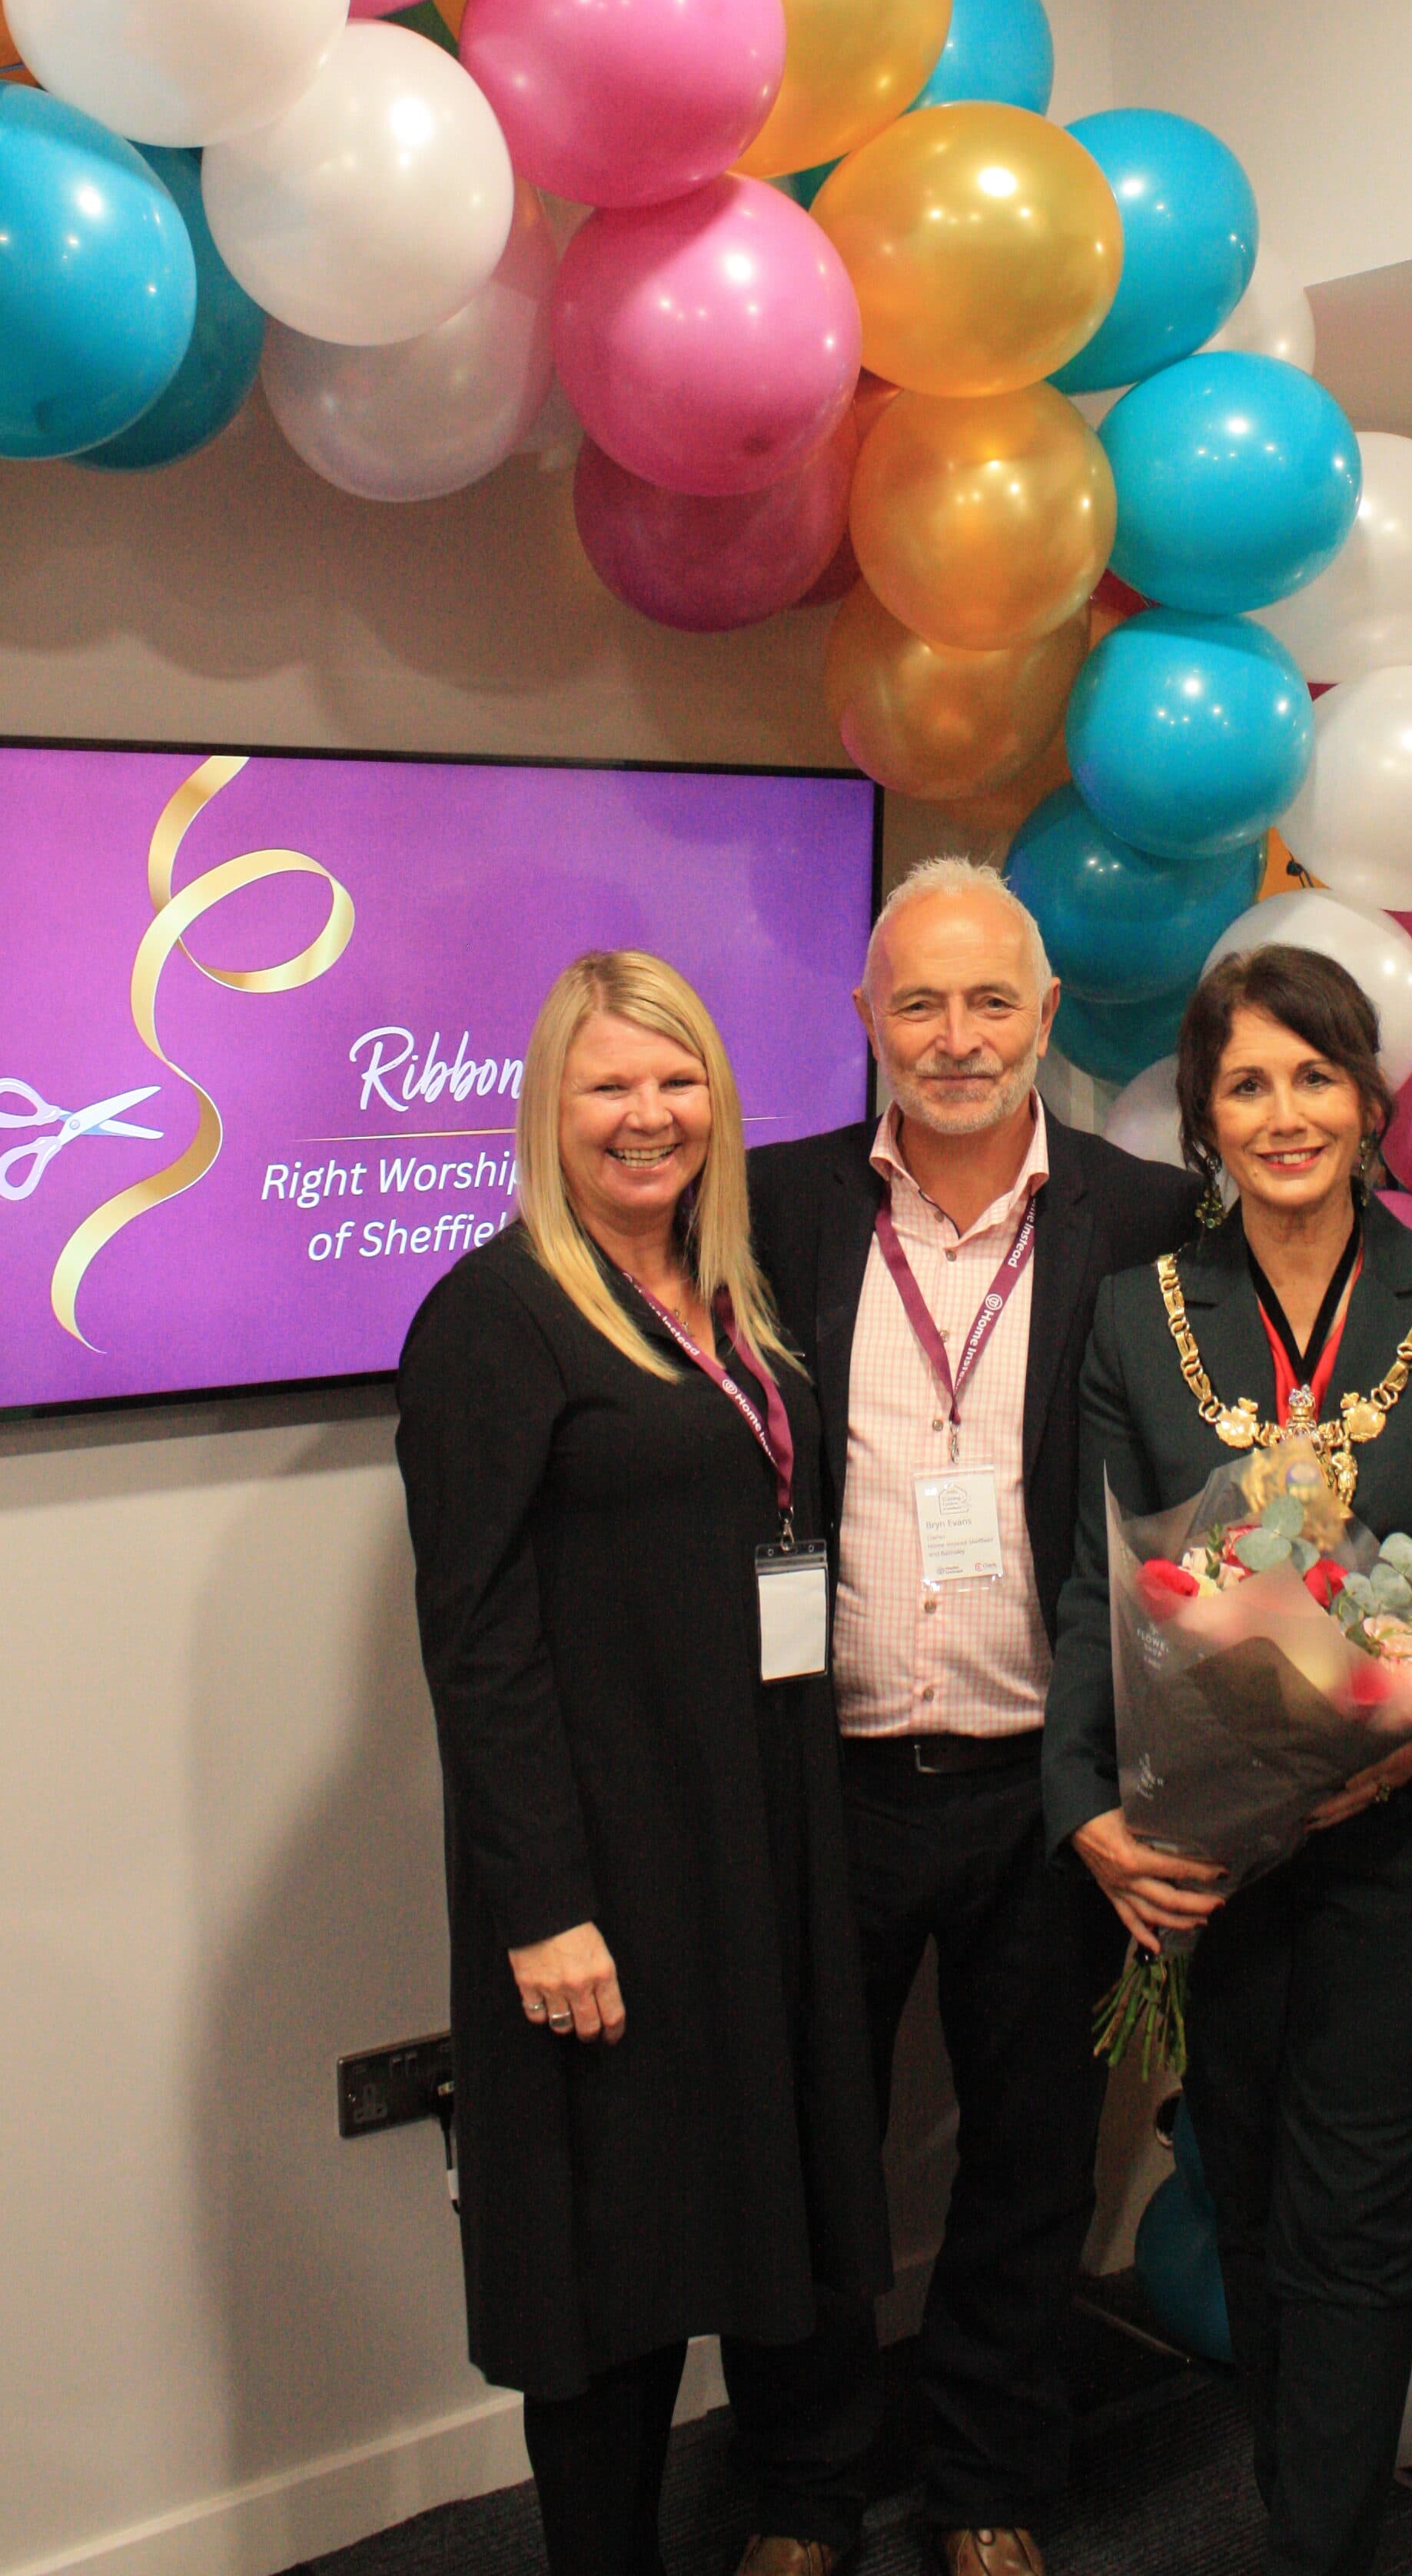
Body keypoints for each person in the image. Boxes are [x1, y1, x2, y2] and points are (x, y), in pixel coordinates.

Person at [1043, 945, 1412, 2576]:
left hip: (1394, 1842)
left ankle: (1318, 2545)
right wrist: (1087, 1812)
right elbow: (1096, 1580)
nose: (1282, 1115)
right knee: (1241, 2189)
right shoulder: (1141, 1313)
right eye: (1244, 1084)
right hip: (1211, 1851)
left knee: (1347, 2209)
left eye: (1312, 1077)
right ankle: (1295, 2497)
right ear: (1202, 1115)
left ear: (1369, 1098)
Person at [395, 952, 889, 2576]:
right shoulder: (491, 1318)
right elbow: (475, 1646)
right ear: (549, 1109)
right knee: (608, 2267)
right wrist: (540, 1903)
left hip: (752, 1835)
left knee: (753, 2212)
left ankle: (783, 2509)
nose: (648, 1116)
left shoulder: (730, 1298)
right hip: (602, 1877)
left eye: (675, 1082)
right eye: (609, 1085)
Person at [740, 858, 1196, 2576]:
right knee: (802, 2159)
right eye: (917, 1002)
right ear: (865, 1020)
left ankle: (988, 2479)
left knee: (1024, 2158)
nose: (953, 1036)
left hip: (1043, 1784)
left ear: (1045, 1017)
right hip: (821, 1778)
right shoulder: (770, 1210)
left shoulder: (1140, 1218)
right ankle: (798, 2488)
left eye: (988, 1000)